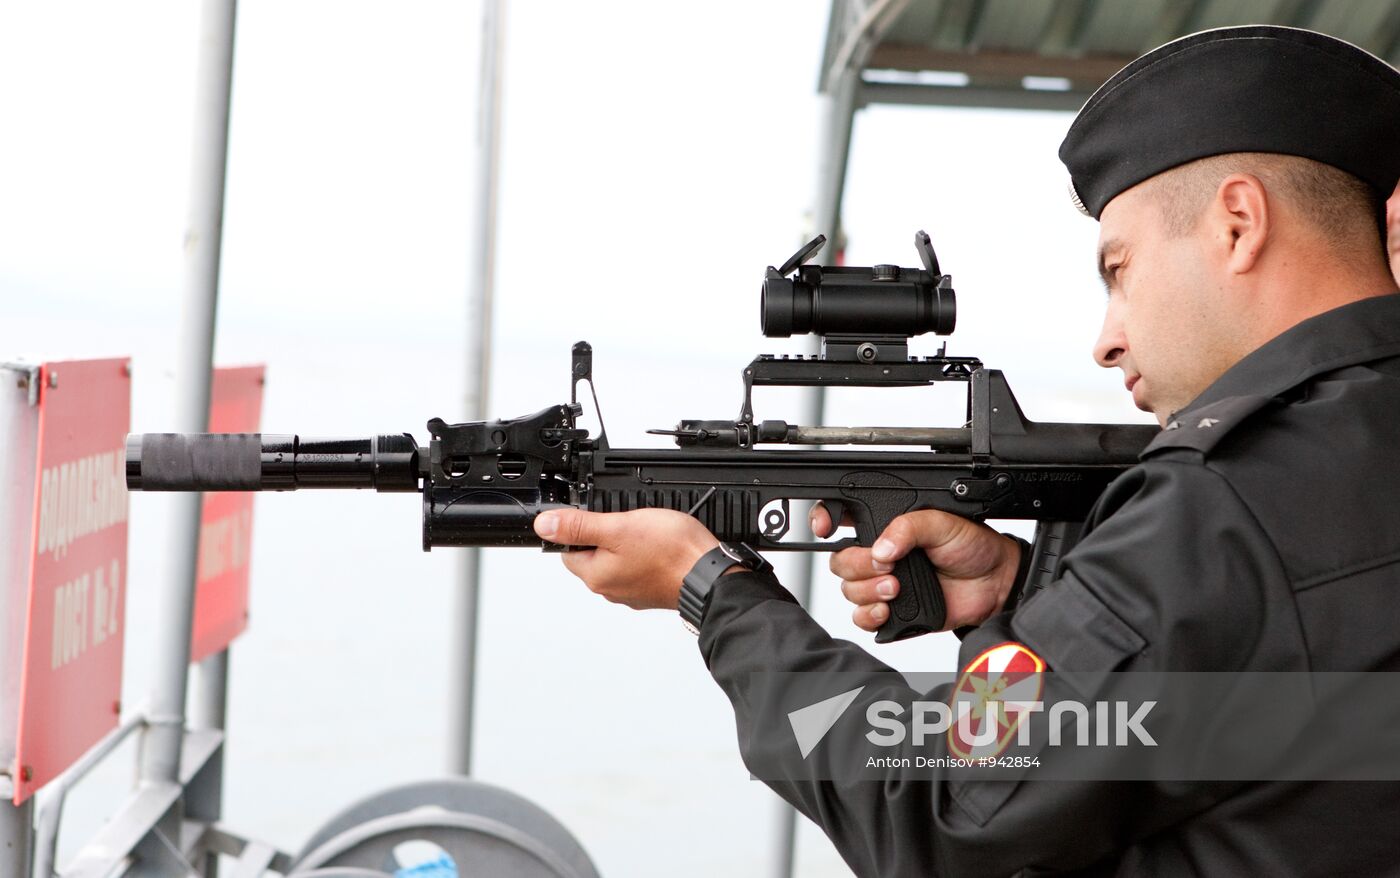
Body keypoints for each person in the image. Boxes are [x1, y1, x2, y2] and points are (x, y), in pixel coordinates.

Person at [534, 25, 1400, 876]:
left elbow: (944, 799)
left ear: (1238, 224)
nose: (1106, 341)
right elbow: (1235, 707)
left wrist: (715, 595)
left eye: (1120, 269)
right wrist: (1022, 595)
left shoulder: (1224, 504)